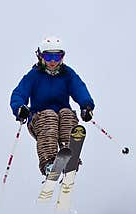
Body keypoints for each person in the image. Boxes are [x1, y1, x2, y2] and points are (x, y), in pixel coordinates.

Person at [10, 36, 96, 176]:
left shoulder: (67, 74)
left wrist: (86, 106)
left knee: (67, 114)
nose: (52, 62)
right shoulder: (34, 75)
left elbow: (79, 88)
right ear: (40, 56)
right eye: (48, 57)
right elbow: (19, 93)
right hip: (40, 120)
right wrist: (20, 108)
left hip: (62, 120)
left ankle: (68, 154)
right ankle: (49, 162)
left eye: (57, 57)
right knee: (50, 115)